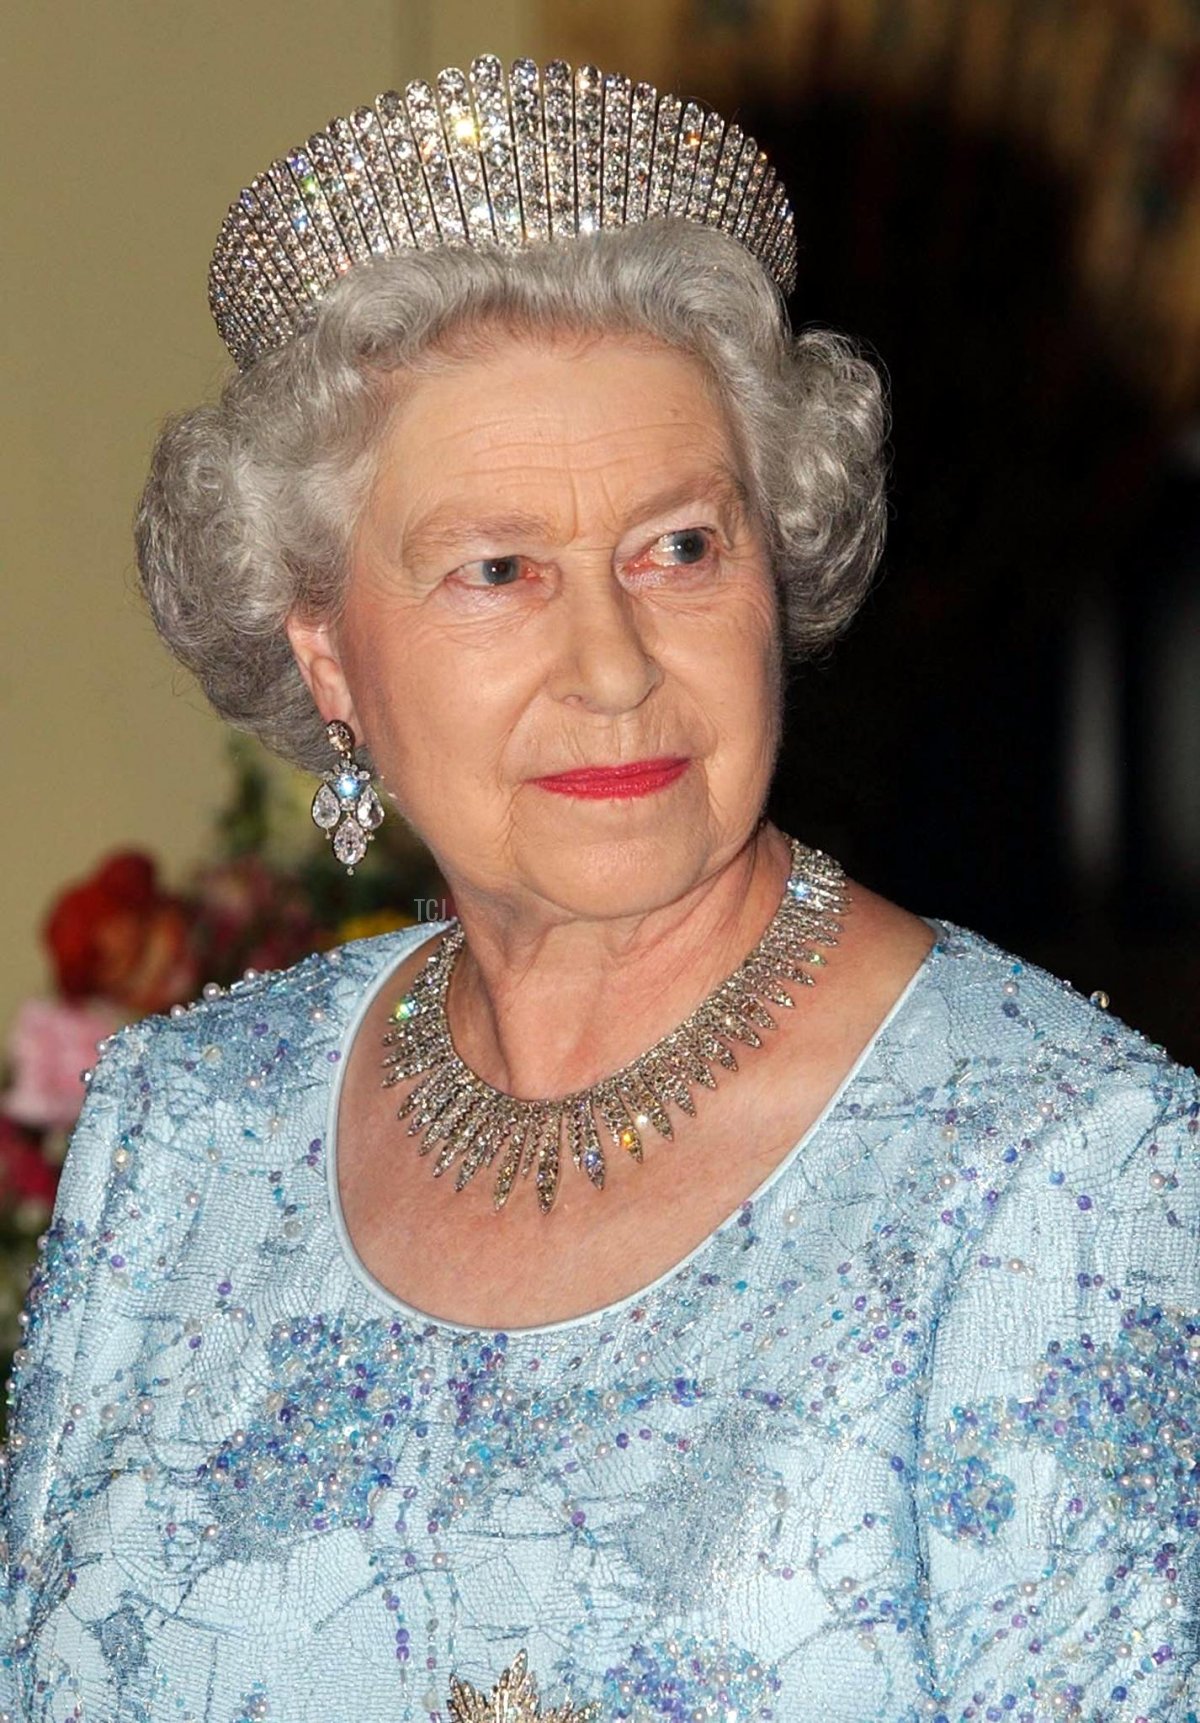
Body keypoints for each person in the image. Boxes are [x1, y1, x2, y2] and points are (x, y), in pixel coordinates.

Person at [2, 52, 1196, 1723]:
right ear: (327, 650)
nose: (617, 667)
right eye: (499, 571)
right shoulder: (176, 1133)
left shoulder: (1066, 1173)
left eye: (680, 549)